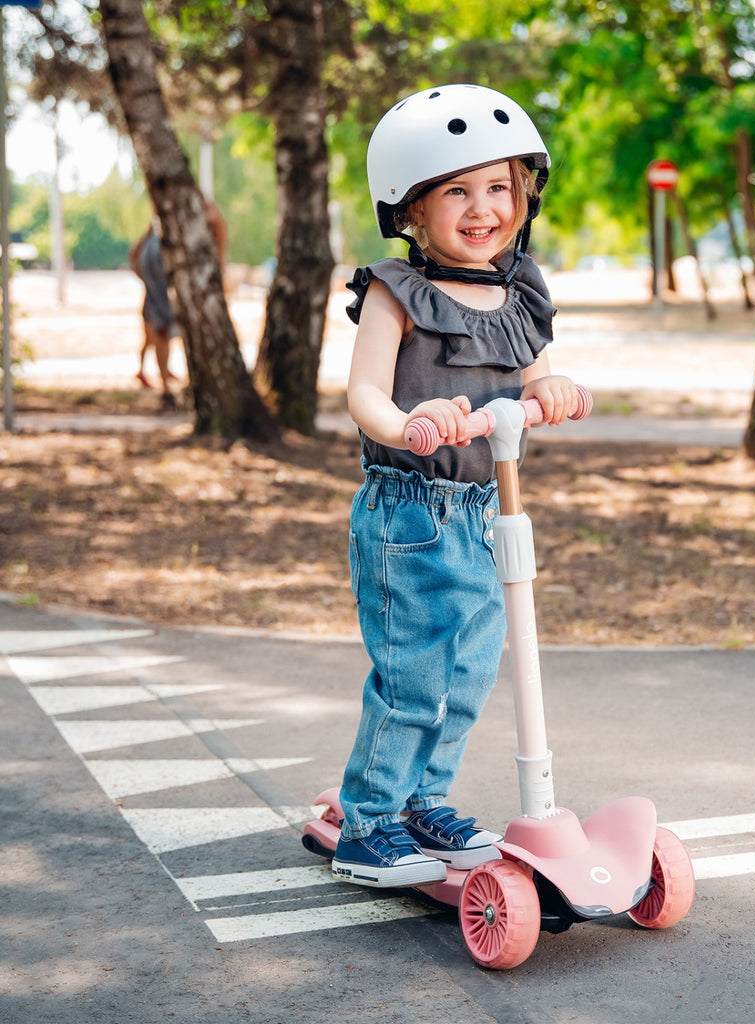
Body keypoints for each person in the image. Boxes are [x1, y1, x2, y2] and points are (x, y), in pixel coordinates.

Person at [333, 84, 581, 888]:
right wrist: (407, 423)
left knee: (470, 675)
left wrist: (553, 389)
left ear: (524, 196)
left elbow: (537, 373)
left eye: (499, 187)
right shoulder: (395, 293)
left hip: (490, 510)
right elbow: (364, 394)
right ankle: (368, 823)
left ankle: (423, 801)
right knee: (413, 677)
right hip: (411, 515)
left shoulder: (521, 294)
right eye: (457, 190)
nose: (483, 208)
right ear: (409, 208)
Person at [129, 199, 227, 409]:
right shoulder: (190, 210)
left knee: (162, 329)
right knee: (168, 328)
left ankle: (168, 386)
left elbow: (136, 256)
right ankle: (171, 387)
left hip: (158, 270)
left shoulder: (172, 212)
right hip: (164, 267)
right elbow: (218, 227)